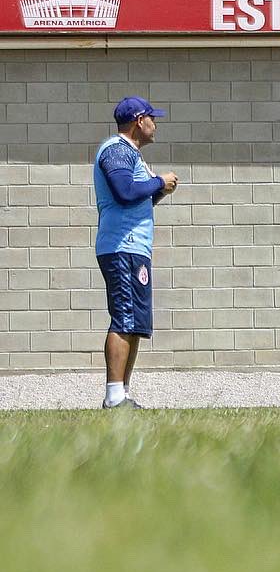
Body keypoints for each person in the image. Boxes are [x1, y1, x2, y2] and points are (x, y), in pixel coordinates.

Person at [93, 96, 179, 409]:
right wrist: (158, 181)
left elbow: (135, 200)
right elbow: (124, 192)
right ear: (138, 120)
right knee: (124, 319)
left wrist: (158, 192)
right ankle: (113, 396)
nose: (156, 124)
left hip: (135, 248)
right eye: (152, 118)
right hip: (121, 246)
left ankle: (124, 395)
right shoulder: (116, 149)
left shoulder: (133, 155)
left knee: (135, 324)